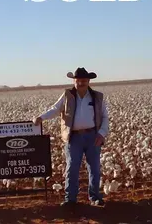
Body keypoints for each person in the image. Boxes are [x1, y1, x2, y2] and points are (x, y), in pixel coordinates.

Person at [34, 67, 110, 207]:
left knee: (94, 168)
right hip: (73, 137)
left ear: (88, 81)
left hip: (93, 136)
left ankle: (95, 197)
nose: (81, 83)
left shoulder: (97, 97)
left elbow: (105, 117)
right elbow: (56, 109)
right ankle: (70, 199)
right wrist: (41, 118)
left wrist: (102, 133)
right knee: (72, 168)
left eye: (84, 80)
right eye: (78, 80)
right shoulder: (67, 95)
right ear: (74, 81)